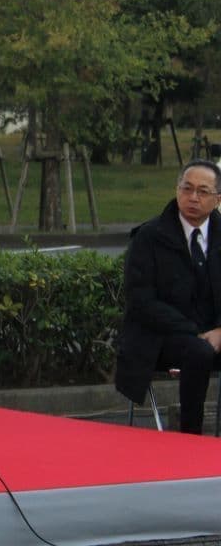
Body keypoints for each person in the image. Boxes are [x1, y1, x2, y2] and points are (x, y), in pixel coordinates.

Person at [115, 159, 221, 435]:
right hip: (160, 338)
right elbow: (141, 300)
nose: (193, 197)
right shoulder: (149, 237)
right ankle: (190, 438)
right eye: (187, 188)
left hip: (215, 335)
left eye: (203, 191)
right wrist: (195, 332)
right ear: (177, 190)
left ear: (218, 199)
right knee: (198, 351)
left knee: (203, 349)